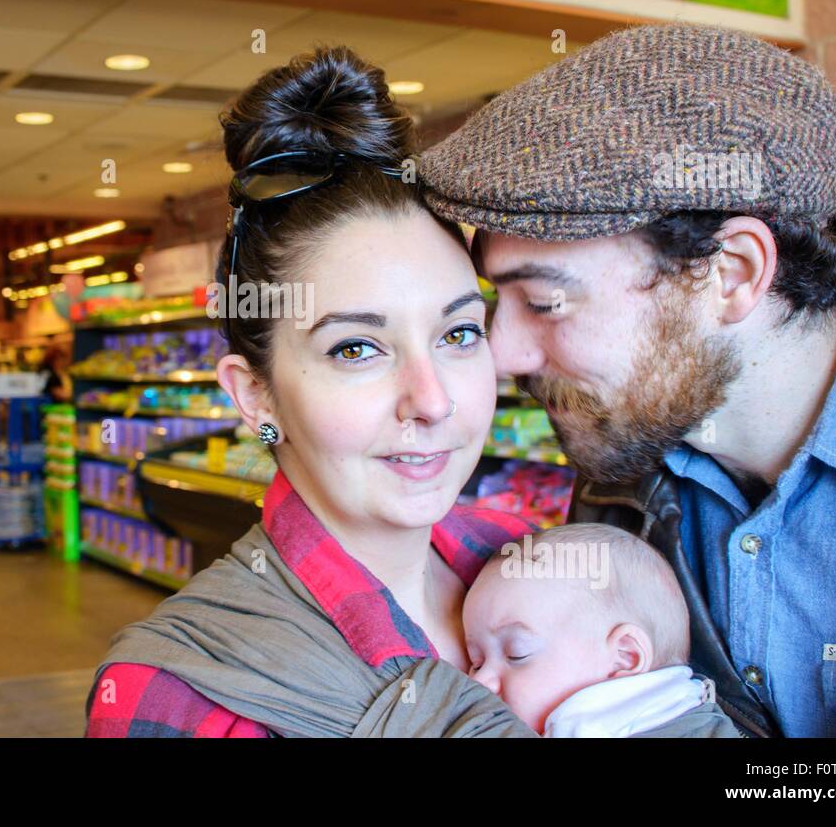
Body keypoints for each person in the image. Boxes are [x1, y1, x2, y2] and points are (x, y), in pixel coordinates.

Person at [85, 46, 736, 738]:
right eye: (357, 348)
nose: (433, 400)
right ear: (256, 397)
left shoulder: (528, 563)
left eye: (458, 334)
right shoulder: (178, 696)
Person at [419, 22, 836, 738]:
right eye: (499, 302)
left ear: (731, 272)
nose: (504, 352)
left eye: (547, 302)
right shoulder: (620, 472)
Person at [463, 523, 738, 737]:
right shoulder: (690, 708)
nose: (480, 681)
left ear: (625, 657)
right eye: (476, 662)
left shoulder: (590, 727)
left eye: (517, 654)